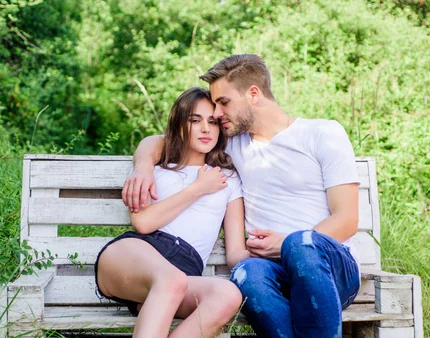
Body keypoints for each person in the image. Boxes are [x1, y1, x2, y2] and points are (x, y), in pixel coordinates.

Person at [123, 54, 361, 338]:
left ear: (253, 94)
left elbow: (347, 219)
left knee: (302, 243)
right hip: (273, 274)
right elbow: (161, 141)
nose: (218, 114)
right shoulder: (232, 144)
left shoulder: (323, 133)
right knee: (248, 273)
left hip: (328, 268)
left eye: (224, 102)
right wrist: (143, 166)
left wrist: (286, 244)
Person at [96, 87, 250, 338]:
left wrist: (277, 255)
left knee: (228, 295)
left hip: (184, 271)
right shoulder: (158, 167)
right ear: (180, 125)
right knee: (171, 280)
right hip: (137, 253)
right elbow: (143, 224)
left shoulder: (228, 179)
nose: (205, 129)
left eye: (212, 122)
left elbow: (235, 253)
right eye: (195, 120)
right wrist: (197, 189)